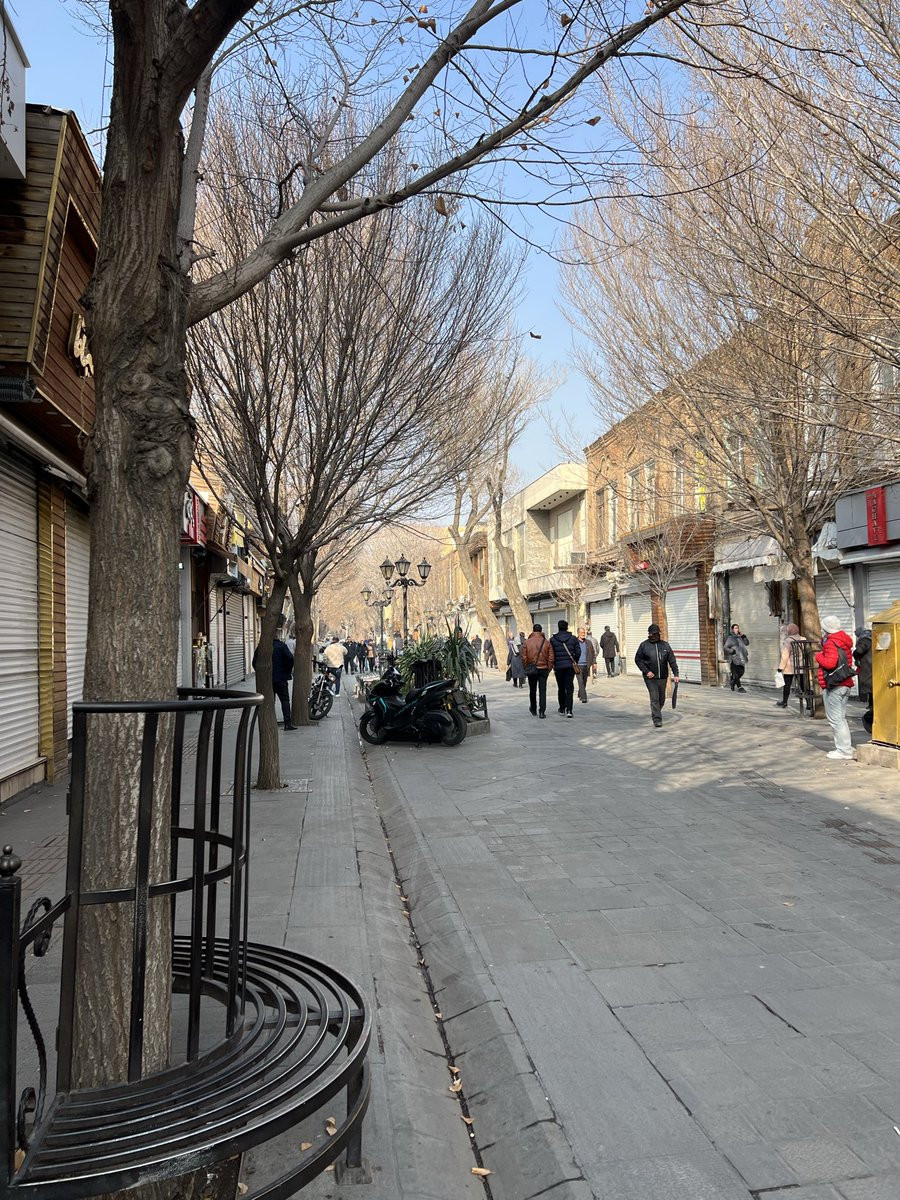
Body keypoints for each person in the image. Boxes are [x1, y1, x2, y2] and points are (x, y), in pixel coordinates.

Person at [815, 615, 856, 760]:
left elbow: (830, 663)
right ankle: (846, 747)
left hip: (834, 685)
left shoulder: (831, 642)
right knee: (841, 718)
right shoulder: (843, 640)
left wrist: (819, 656)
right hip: (845, 682)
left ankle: (844, 750)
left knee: (835, 720)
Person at [634, 623, 679, 728]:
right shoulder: (644, 645)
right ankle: (657, 719)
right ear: (649, 634)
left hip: (663, 677)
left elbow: (672, 660)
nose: (655, 636)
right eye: (653, 634)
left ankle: (656, 711)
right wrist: (646, 671)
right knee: (654, 698)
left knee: (661, 699)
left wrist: (676, 673)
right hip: (650, 678)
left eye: (657, 634)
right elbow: (638, 660)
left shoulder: (665, 645)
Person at [252, 629, 296, 730]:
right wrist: (287, 671)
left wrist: (260, 673)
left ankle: (270, 722)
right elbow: (290, 658)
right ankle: (287, 723)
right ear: (277, 636)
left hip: (267, 679)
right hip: (281, 679)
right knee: (285, 701)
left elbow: (254, 662)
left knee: (269, 701)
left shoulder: (262, 647)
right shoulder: (282, 646)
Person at [550, 619, 582, 718]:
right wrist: (574, 661)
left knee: (561, 688)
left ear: (558, 627)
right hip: (570, 667)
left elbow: (551, 654)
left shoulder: (553, 640)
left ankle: (562, 708)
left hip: (558, 667)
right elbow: (578, 652)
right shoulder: (573, 639)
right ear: (567, 627)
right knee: (569, 687)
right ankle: (569, 710)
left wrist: (554, 664)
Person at [521, 623, 554, 718]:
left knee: (532, 690)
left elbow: (524, 657)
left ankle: (533, 708)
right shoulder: (546, 642)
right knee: (543, 691)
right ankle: (542, 711)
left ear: (533, 630)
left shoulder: (527, 642)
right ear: (541, 631)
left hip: (532, 669)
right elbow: (551, 657)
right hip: (543, 669)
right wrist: (548, 668)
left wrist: (526, 667)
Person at [776, 623, 806, 708]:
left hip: (790, 667)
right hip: (801, 666)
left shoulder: (788, 640)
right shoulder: (803, 639)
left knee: (787, 685)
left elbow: (785, 655)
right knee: (803, 685)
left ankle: (784, 702)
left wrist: (780, 667)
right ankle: (809, 703)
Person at [853, 625, 873, 733]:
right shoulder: (873, 637)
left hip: (868, 670)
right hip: (873, 670)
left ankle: (871, 720)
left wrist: (855, 654)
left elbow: (859, 651)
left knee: (871, 691)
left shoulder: (864, 640)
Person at [724, 622, 750, 692]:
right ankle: (739, 687)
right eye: (735, 628)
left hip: (741, 657)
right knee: (736, 673)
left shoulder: (740, 637)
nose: (737, 629)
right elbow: (725, 647)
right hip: (734, 658)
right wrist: (732, 651)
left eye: (738, 628)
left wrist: (743, 636)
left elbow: (747, 643)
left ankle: (733, 682)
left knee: (741, 672)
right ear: (732, 630)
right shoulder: (730, 638)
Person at [576, 626, 597, 703]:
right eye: (581, 633)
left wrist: (594, 662)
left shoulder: (588, 642)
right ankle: (584, 698)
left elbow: (593, 653)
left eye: (584, 632)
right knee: (580, 681)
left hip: (586, 665)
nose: (583, 634)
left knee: (584, 681)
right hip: (577, 665)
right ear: (578, 633)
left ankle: (580, 693)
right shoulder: (575, 642)